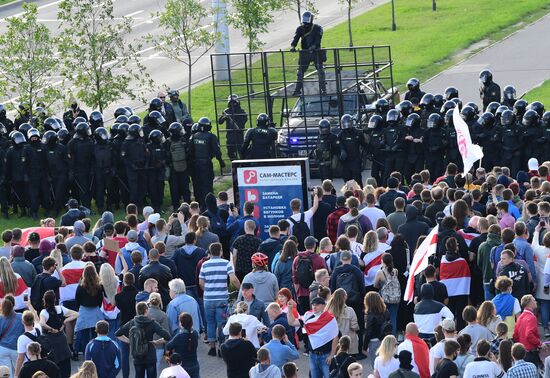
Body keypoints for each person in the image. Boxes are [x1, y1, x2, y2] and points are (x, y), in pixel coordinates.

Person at [198, 243, 240, 356]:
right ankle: (221, 347)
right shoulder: (226, 263)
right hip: (222, 299)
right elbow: (233, 279)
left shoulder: (205, 265)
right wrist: (240, 289)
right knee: (221, 323)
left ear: (209, 252)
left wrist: (207, 290)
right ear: (221, 252)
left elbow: (201, 283)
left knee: (210, 323)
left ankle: (212, 347)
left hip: (208, 299)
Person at [115, 302, 171, 378]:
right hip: (150, 355)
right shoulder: (152, 323)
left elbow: (118, 334)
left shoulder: (132, 322)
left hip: (137, 355)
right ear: (146, 310)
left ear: (137, 310)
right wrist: (157, 342)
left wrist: (130, 341)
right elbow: (167, 336)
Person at [39, 290, 78, 378]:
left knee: (53, 368)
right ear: (55, 299)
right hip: (61, 340)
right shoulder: (60, 309)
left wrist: (51, 329)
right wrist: (64, 322)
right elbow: (76, 314)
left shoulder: (44, 312)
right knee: (65, 366)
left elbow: (42, 323)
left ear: (44, 300)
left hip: (50, 341)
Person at [188, 117, 224, 208]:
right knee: (207, 185)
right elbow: (217, 151)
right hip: (206, 164)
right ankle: (207, 205)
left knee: (197, 184)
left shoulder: (193, 136)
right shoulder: (211, 136)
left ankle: (198, 205)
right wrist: (221, 161)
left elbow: (190, 152)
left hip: (196, 164)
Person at [290, 11, 325, 95]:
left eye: (307, 19)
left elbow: (318, 39)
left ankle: (323, 89)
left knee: (320, 71)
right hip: (305, 53)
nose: (305, 21)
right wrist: (292, 46)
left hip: (316, 52)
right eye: (304, 19)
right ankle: (297, 90)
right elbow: (296, 38)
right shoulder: (300, 29)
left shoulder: (317, 28)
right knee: (300, 72)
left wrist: (314, 46)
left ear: (311, 20)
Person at [74, 264, 104, 360]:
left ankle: (83, 353)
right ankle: (96, 353)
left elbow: (77, 300)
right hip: (95, 311)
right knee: (96, 334)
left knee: (83, 334)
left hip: (84, 311)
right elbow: (100, 300)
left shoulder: (80, 287)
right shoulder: (99, 287)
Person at [303, 296, 339, 378]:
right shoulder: (308, 318)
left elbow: (335, 337)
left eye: (317, 305)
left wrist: (332, 355)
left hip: (325, 355)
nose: (314, 307)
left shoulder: (330, 319)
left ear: (323, 306)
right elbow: (292, 322)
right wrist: (290, 310)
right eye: (313, 305)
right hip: (312, 355)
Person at [292, 236, 327, 314]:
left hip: (302, 293)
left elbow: (295, 279)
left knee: (305, 318)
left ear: (305, 245)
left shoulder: (297, 259)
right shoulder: (320, 259)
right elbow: (324, 278)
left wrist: (297, 294)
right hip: (316, 293)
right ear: (314, 245)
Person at [114, 273, 137, 378]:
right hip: (136, 325)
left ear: (124, 282)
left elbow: (119, 308)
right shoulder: (138, 294)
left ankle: (125, 376)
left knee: (124, 354)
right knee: (138, 353)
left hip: (124, 324)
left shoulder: (118, 296)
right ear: (133, 280)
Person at [171, 232, 206, 301]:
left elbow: (173, 265)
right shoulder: (201, 252)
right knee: (200, 304)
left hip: (183, 284)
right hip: (197, 283)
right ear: (194, 240)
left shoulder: (178, 252)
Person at [374, 253, 401, 335]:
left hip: (384, 299)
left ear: (382, 261)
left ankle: (384, 335)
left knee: (383, 318)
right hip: (395, 298)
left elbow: (375, 285)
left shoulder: (380, 272)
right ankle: (393, 336)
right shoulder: (395, 271)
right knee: (393, 318)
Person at [165, 313, 199, 378]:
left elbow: (168, 347)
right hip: (195, 365)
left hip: (182, 367)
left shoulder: (179, 337)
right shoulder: (195, 334)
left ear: (181, 323)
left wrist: (168, 360)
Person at [327, 288, 359, 355]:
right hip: (347, 340)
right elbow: (354, 326)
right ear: (345, 297)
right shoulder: (350, 310)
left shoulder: (328, 310)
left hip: (333, 340)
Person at [513, 295, 542, 365]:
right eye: (534, 300)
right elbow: (529, 335)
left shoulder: (520, 317)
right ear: (529, 303)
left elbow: (515, 336)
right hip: (531, 352)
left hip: (523, 352)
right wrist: (539, 343)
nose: (536, 302)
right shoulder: (532, 317)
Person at [338, 114, 366, 187]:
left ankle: (360, 194)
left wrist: (368, 154)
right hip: (346, 160)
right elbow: (339, 145)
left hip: (355, 159)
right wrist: (342, 151)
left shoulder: (358, 133)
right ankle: (349, 196)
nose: (346, 125)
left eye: (348, 123)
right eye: (344, 123)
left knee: (357, 179)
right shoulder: (341, 134)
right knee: (347, 179)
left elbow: (364, 145)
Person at [0, 295, 24, 377]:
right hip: (16, 349)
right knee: (18, 373)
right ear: (13, 304)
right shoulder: (21, 317)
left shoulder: (1, 318)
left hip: (2, 348)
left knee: (7, 374)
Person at [219, 94, 247, 160]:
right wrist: (224, 117)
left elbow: (243, 121)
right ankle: (235, 165)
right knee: (230, 152)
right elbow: (220, 122)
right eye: (231, 103)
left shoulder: (242, 112)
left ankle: (242, 165)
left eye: (234, 103)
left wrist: (233, 120)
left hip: (239, 135)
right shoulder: (227, 111)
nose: (232, 105)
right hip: (230, 135)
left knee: (241, 152)